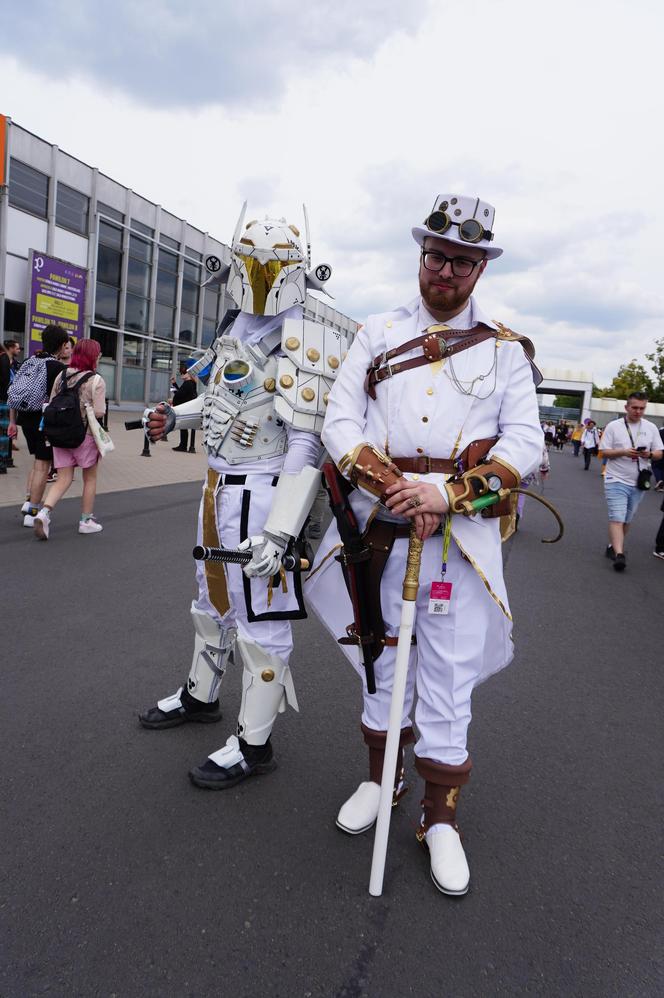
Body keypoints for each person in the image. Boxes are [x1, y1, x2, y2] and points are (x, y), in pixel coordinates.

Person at [306, 192, 543, 896]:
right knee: (380, 657)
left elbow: (525, 441)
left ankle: (440, 819)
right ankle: (382, 781)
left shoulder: (504, 349)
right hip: (380, 527)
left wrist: (447, 495)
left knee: (446, 671)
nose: (446, 270)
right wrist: (393, 487)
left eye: (462, 262)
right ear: (421, 256)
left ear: (481, 269)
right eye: (436, 256)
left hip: (461, 538)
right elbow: (340, 421)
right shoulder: (374, 332)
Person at [138, 205, 346, 790]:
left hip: (267, 490)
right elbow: (225, 402)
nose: (255, 277)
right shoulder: (236, 326)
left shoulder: (310, 333)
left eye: (265, 267)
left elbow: (309, 438)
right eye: (247, 264)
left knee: (263, 617)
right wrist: (171, 416)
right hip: (215, 485)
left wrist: (282, 530)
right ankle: (201, 694)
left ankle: (255, 744)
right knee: (210, 601)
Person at [32, 339, 107, 540]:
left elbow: (51, 401)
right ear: (92, 356)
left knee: (64, 478)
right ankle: (86, 520)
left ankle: (44, 512)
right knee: (89, 478)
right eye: (98, 354)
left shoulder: (61, 375)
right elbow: (99, 412)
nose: (99, 357)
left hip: (60, 435)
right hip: (85, 436)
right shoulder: (96, 380)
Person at [7, 325, 72, 525]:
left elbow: (15, 391)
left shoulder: (29, 361)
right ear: (62, 345)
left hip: (25, 419)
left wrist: (12, 421)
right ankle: (33, 511)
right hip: (43, 422)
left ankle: (29, 503)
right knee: (43, 466)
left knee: (37, 463)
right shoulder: (59, 369)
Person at [598, 392, 663, 571]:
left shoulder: (651, 428)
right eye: (634, 407)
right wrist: (624, 452)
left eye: (642, 408)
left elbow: (659, 452)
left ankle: (613, 546)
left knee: (627, 519)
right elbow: (604, 451)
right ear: (626, 407)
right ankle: (620, 554)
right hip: (615, 478)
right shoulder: (614, 426)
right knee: (617, 517)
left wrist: (648, 454)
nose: (638, 411)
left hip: (639, 481)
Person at [171, 363, 198, 453]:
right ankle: (183, 445)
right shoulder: (190, 383)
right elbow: (180, 393)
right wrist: (174, 384)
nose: (182, 375)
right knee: (183, 427)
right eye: (181, 373)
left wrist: (173, 398)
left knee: (183, 427)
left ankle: (183, 446)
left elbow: (179, 394)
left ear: (189, 374)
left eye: (184, 373)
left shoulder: (188, 383)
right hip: (185, 408)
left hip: (185, 408)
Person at [0, 342, 11, 474]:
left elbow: (5, 379)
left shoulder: (3, 358)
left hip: (2, 399)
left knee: (2, 432)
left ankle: (2, 462)